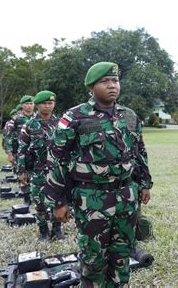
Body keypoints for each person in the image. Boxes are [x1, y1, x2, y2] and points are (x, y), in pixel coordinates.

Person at [45, 61, 153, 287]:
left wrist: (144, 183)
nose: (112, 85)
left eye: (115, 80)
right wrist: (58, 201)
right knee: (93, 258)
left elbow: (139, 152)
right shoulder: (74, 117)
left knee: (122, 254)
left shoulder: (129, 116)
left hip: (126, 197)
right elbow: (57, 160)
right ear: (91, 87)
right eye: (105, 81)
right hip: (92, 199)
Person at [18, 90, 64, 241]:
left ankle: (57, 230)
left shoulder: (61, 124)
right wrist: (22, 171)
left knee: (58, 201)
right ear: (37, 105)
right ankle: (43, 231)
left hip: (57, 171)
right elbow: (22, 149)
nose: (47, 106)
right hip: (37, 171)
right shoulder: (29, 125)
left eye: (50, 103)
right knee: (40, 203)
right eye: (44, 103)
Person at [5, 96, 35, 204]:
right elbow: (8, 136)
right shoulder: (16, 119)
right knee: (23, 174)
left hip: (35, 151)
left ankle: (36, 196)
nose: (29, 106)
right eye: (27, 104)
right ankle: (26, 197)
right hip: (20, 151)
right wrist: (9, 152)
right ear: (22, 106)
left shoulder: (37, 117)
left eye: (31, 103)